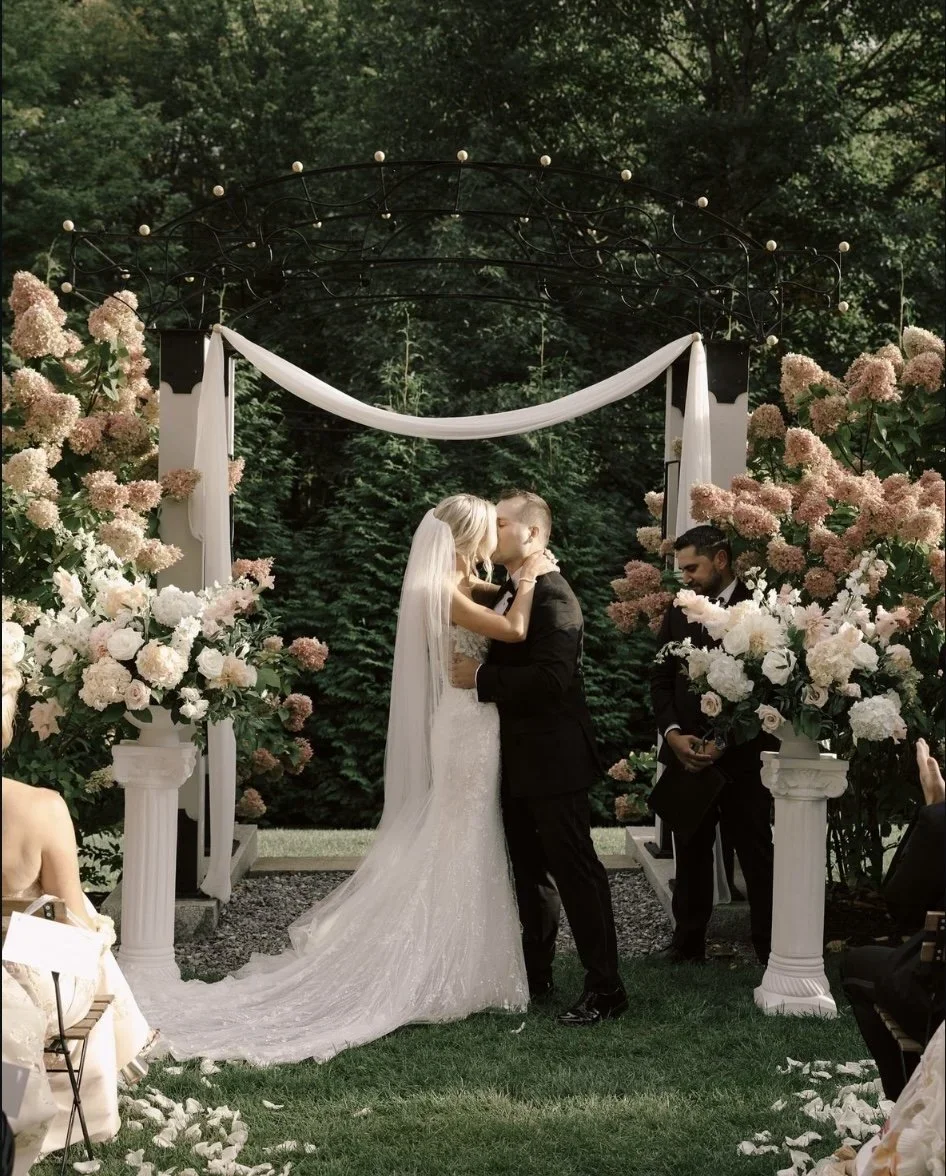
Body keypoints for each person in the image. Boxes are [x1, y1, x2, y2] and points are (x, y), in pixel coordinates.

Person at [134, 494, 557, 1064]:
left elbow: (486, 598)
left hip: (472, 722)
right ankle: (446, 962)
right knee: (460, 831)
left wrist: (513, 581)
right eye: (489, 529)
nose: (495, 538)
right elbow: (512, 629)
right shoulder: (441, 592)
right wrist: (532, 577)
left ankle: (469, 959)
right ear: (466, 539)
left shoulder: (453, 585)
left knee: (468, 830)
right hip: (466, 728)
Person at [452, 490, 626, 1027]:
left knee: (576, 872)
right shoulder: (513, 587)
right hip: (517, 760)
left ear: (532, 534)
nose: (491, 530)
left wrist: (481, 678)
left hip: (555, 761)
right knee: (530, 873)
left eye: (501, 523)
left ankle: (607, 989)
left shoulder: (555, 599)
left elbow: (553, 679)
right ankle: (537, 972)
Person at [1, 623, 154, 1172]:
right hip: (21, 976)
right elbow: (68, 921)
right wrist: (98, 933)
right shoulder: (40, 807)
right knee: (87, 934)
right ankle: (102, 1083)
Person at [649, 524, 775, 965]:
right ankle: (687, 946)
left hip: (742, 759)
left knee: (755, 851)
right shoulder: (678, 612)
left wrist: (722, 741)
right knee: (691, 852)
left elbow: (767, 690)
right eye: (681, 569)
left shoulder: (758, 610)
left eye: (692, 567)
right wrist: (673, 735)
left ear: (720, 559)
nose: (685, 577)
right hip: (686, 754)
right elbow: (661, 679)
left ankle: (769, 947)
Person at [839, 738, 945, 1100]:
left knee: (856, 965)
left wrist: (933, 810)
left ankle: (908, 1107)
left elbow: (904, 909)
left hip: (939, 1009)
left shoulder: (942, 821)